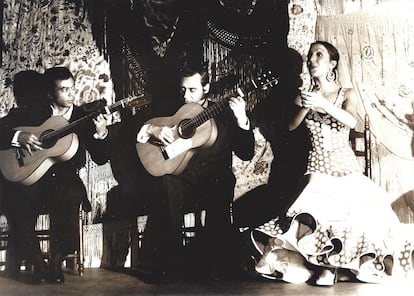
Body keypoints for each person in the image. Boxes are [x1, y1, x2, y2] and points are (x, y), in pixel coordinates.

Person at [251, 41, 414, 286]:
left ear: (332, 64)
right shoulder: (302, 96)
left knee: (359, 211)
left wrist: (323, 103)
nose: (313, 60)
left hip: (345, 168)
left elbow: (351, 121)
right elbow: (290, 127)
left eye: (319, 55)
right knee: (312, 202)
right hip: (317, 168)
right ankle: (326, 266)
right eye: (310, 57)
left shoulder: (346, 93)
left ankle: (338, 266)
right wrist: (308, 104)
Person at [135, 63, 255, 281]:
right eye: (183, 90)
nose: (186, 96)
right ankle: (171, 263)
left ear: (206, 87)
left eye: (192, 90)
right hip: (182, 181)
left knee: (223, 181)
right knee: (167, 184)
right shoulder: (172, 108)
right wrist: (153, 129)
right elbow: (138, 129)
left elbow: (246, 153)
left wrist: (241, 120)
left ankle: (214, 264)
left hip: (212, 182)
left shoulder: (225, 114)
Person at [0, 66, 109, 284]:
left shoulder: (83, 117)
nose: (71, 94)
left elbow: (100, 157)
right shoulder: (33, 112)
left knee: (69, 195)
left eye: (72, 89)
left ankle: (56, 261)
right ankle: (37, 261)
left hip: (64, 180)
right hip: (32, 177)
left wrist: (101, 133)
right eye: (64, 90)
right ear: (51, 93)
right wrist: (18, 136)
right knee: (19, 195)